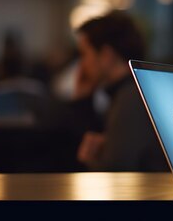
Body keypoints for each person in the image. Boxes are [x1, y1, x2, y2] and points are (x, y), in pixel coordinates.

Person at [71, 10, 167, 172]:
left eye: (84, 54)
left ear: (107, 56)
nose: (82, 65)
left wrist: (89, 159)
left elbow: (116, 173)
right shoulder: (140, 90)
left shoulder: (129, 99)